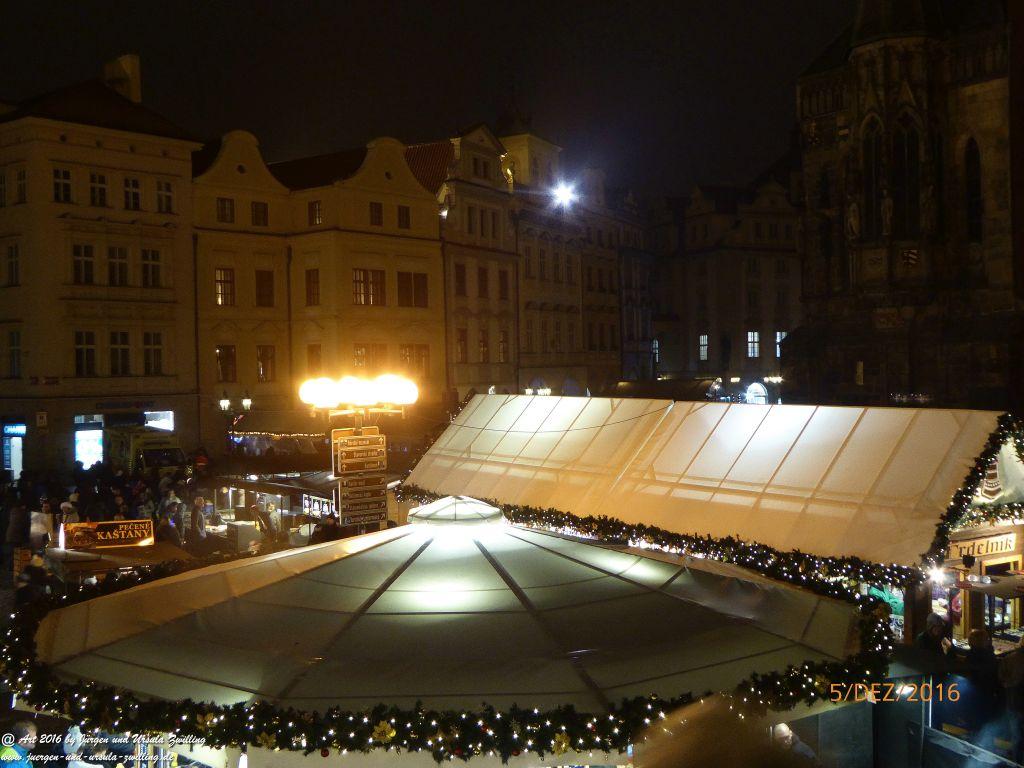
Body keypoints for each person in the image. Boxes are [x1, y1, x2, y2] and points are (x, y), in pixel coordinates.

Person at [1001, 636, 1024, 763]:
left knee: (1016, 734)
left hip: (1014, 701)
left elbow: (1002, 678)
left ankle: (1017, 761)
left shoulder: (1009, 659)